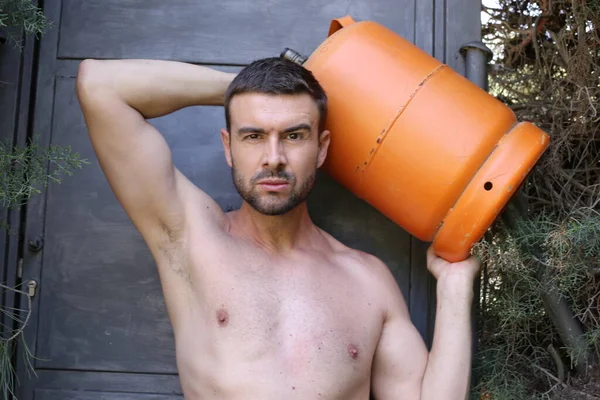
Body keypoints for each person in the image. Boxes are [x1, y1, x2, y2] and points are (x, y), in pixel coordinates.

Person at [76, 56, 480, 400]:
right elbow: (101, 85)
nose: (274, 158)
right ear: (228, 146)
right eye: (253, 135)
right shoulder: (191, 238)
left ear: (321, 148)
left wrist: (454, 285)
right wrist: (237, 92)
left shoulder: (367, 279)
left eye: (293, 135)